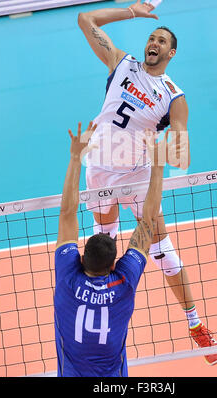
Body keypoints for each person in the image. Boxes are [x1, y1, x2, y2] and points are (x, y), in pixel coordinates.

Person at [77, 0, 217, 366]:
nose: (153, 43)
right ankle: (105, 333)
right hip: (98, 169)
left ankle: (196, 325)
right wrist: (131, 12)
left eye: (162, 41)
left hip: (139, 175)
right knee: (103, 246)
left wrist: (174, 143)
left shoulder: (174, 95)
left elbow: (179, 141)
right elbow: (85, 19)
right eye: (151, 37)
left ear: (171, 53)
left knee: (161, 251)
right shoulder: (121, 62)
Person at [54, 121, 173, 376]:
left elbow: (67, 213)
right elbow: (149, 220)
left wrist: (76, 157)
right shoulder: (124, 282)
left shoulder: (68, 277)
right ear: (112, 265)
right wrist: (158, 164)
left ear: (82, 259)